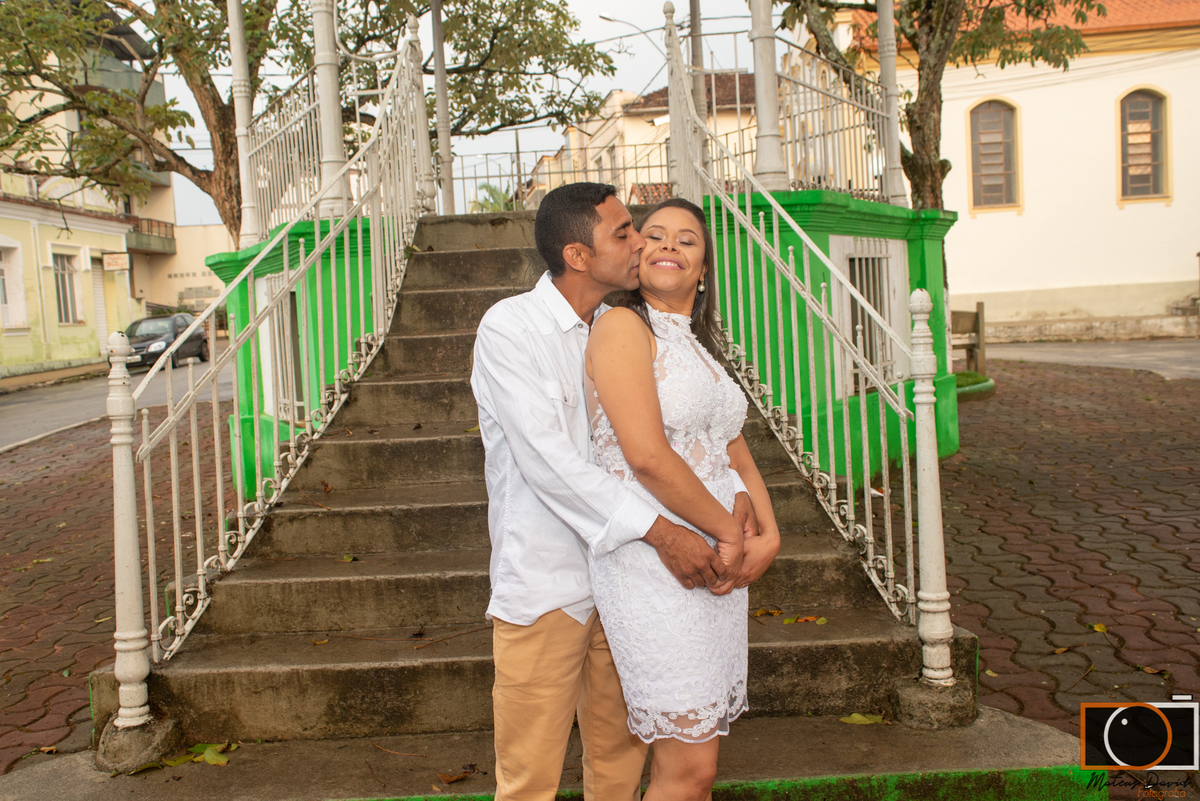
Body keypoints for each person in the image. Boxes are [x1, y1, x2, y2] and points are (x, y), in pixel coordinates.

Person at [469, 183, 759, 800]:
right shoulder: (512, 328)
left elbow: (691, 434)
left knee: (619, 777)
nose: (642, 242)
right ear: (579, 256)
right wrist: (662, 532)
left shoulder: (625, 324)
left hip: (632, 583)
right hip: (551, 582)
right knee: (528, 781)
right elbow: (549, 463)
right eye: (625, 232)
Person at [584, 198, 782, 800]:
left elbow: (731, 445)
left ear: (704, 269)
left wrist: (768, 533)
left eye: (687, 240)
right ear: (637, 256)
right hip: (659, 558)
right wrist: (728, 531)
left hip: (716, 559)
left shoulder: (697, 346)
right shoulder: (622, 327)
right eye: (655, 235)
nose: (669, 246)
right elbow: (645, 457)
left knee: (697, 767)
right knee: (689, 771)